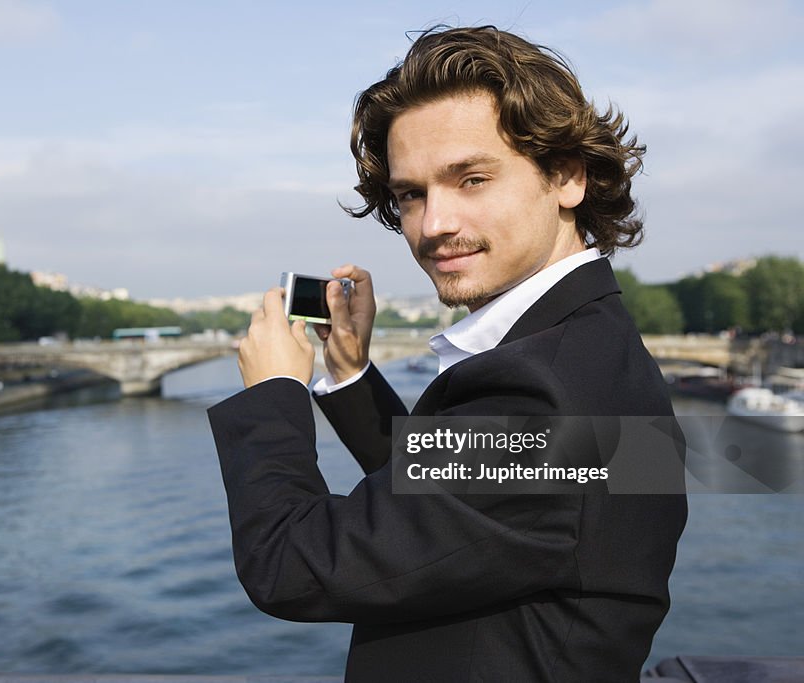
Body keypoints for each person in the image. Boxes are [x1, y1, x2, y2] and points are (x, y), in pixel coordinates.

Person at [208, 25, 686, 682]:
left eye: (473, 179)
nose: (434, 225)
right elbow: (462, 512)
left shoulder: (540, 392)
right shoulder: (592, 346)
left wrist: (271, 394)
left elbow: (291, 565)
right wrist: (351, 374)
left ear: (568, 176)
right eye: (411, 194)